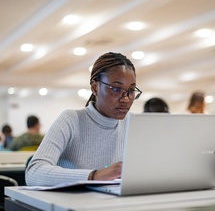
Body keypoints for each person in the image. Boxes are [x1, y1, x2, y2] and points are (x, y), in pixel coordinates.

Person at [25, 52, 142, 186]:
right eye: (116, 89)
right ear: (95, 87)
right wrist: (94, 176)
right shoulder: (71, 120)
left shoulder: (133, 124)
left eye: (131, 91)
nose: (126, 99)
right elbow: (34, 172)